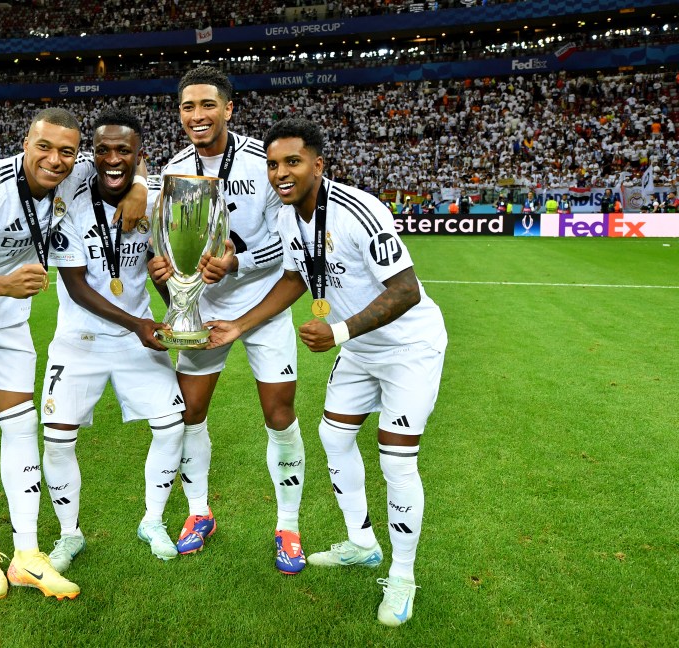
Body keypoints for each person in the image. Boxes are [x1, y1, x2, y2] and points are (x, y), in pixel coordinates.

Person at [206, 119, 446, 627]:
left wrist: (338, 333)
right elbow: (295, 278)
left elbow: (405, 291)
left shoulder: (360, 210)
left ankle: (402, 576)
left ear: (318, 163)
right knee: (333, 438)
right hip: (359, 350)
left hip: (408, 348)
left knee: (397, 462)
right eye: (272, 164)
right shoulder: (291, 219)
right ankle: (362, 543)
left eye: (292, 162)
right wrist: (239, 326)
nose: (280, 173)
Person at [0, 107, 146, 601]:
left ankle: (27, 555)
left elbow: (125, 165)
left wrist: (141, 188)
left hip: (8, 316)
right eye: (44, 147)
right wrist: (4, 283)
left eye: (67, 151)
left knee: (20, 427)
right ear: (26, 144)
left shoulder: (74, 173)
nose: (55, 160)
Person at [148, 66, 307, 574]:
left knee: (279, 414)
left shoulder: (264, 162)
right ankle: (199, 513)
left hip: (261, 307)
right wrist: (167, 272)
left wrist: (237, 261)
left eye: (208, 105)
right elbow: (166, 242)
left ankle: (288, 525)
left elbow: (290, 243)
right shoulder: (173, 170)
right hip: (202, 308)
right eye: (188, 107)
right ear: (180, 113)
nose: (198, 115)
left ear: (229, 109)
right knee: (189, 412)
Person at [39, 108, 185, 572]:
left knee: (171, 426)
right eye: (103, 149)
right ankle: (69, 534)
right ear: (92, 154)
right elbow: (78, 287)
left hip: (136, 337)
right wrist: (140, 325)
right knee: (57, 441)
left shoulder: (157, 196)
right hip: (79, 338)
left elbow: (163, 271)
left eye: (124, 150)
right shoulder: (70, 199)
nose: (113, 158)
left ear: (140, 156)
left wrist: (174, 302)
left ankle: (153, 521)